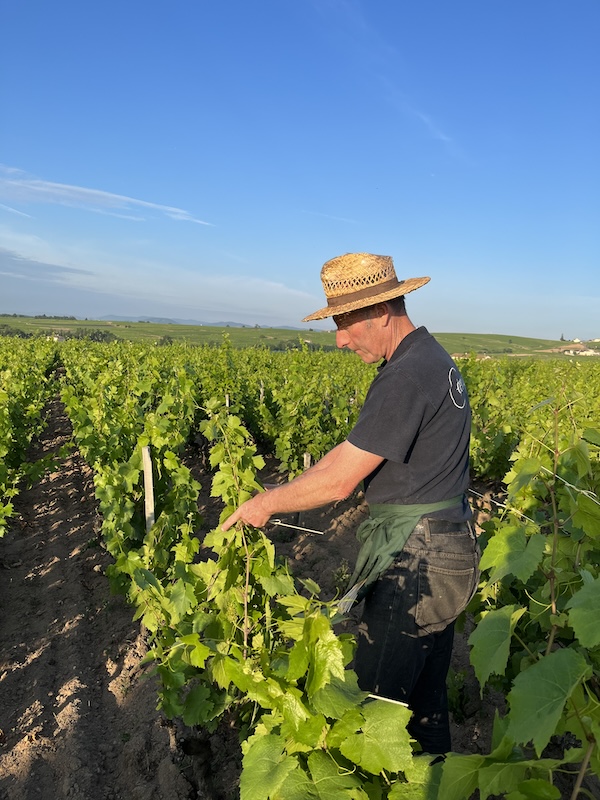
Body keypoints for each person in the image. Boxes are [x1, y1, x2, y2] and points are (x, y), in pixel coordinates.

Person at [222, 252, 480, 755]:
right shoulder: (428, 360)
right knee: (422, 710)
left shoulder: (406, 375)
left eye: (344, 322)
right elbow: (350, 453)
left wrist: (267, 503)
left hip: (419, 558)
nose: (339, 338)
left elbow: (340, 482)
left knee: (369, 714)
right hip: (444, 550)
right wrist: (279, 491)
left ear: (381, 310)